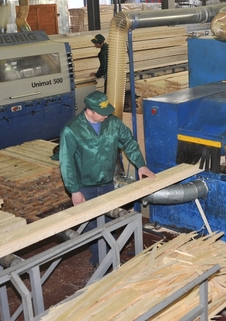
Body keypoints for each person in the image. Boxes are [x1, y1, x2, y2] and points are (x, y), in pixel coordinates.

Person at [59, 90, 155, 264]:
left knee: (111, 220)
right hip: (84, 186)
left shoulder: (113, 123)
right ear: (90, 111)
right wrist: (74, 190)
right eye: (102, 113)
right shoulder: (72, 130)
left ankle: (108, 257)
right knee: (91, 226)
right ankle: (102, 261)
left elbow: (129, 142)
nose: (106, 116)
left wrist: (141, 165)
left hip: (107, 182)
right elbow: (66, 162)